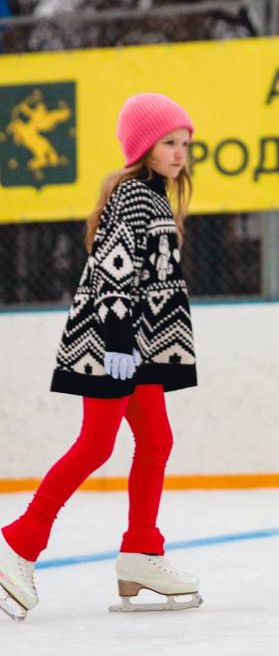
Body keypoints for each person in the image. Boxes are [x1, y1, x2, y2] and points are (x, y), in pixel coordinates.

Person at [0, 93, 202, 621]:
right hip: (113, 345)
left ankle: (141, 550)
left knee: (156, 439)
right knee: (95, 444)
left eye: (184, 144)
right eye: (169, 142)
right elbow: (115, 267)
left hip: (140, 346)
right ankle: (18, 541)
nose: (179, 153)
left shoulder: (155, 197)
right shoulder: (132, 196)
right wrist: (117, 339)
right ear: (144, 146)